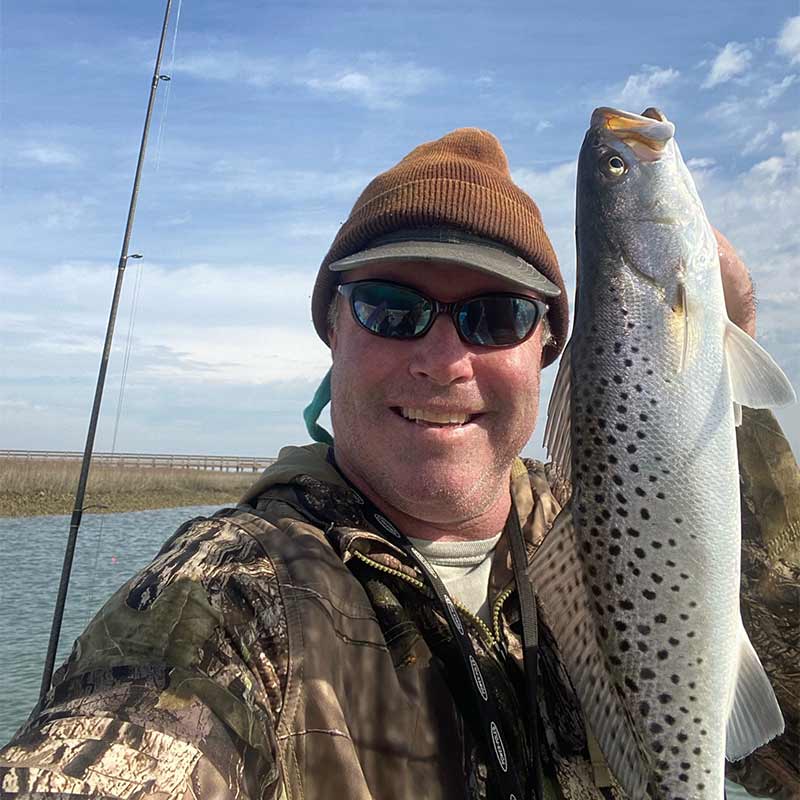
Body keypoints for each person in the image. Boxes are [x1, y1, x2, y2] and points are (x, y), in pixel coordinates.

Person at [1, 129, 797, 800]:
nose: (443, 359)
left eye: (494, 315)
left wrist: (725, 385)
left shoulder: (594, 525)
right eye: (392, 308)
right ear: (333, 332)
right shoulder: (227, 599)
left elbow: (779, 753)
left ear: (547, 349)